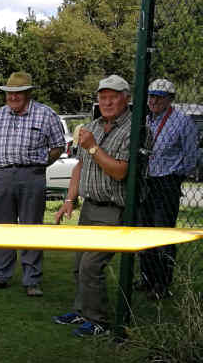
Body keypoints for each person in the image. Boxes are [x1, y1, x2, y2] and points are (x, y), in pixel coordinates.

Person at [53, 75, 133, 338]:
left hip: (114, 209)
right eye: (102, 97)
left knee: (91, 265)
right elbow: (79, 166)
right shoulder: (93, 126)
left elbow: (120, 172)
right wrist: (69, 200)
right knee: (78, 265)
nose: (107, 102)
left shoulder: (134, 130)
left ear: (126, 98)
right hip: (89, 207)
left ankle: (99, 321)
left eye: (113, 96)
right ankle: (82, 311)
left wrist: (92, 147)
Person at [0, 71, 67, 297]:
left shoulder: (46, 115)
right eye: (9, 93)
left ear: (27, 93)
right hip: (2, 177)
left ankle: (32, 280)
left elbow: (57, 148)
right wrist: (6, 163)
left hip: (32, 176)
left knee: (32, 228)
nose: (13, 97)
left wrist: (37, 165)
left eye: (17, 93)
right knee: (2, 228)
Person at [136, 78, 199, 298]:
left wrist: (176, 174)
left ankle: (162, 284)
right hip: (147, 181)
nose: (153, 100)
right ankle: (146, 277)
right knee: (144, 231)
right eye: (151, 96)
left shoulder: (182, 122)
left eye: (158, 97)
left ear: (170, 100)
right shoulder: (146, 120)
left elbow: (192, 155)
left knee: (163, 234)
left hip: (167, 181)